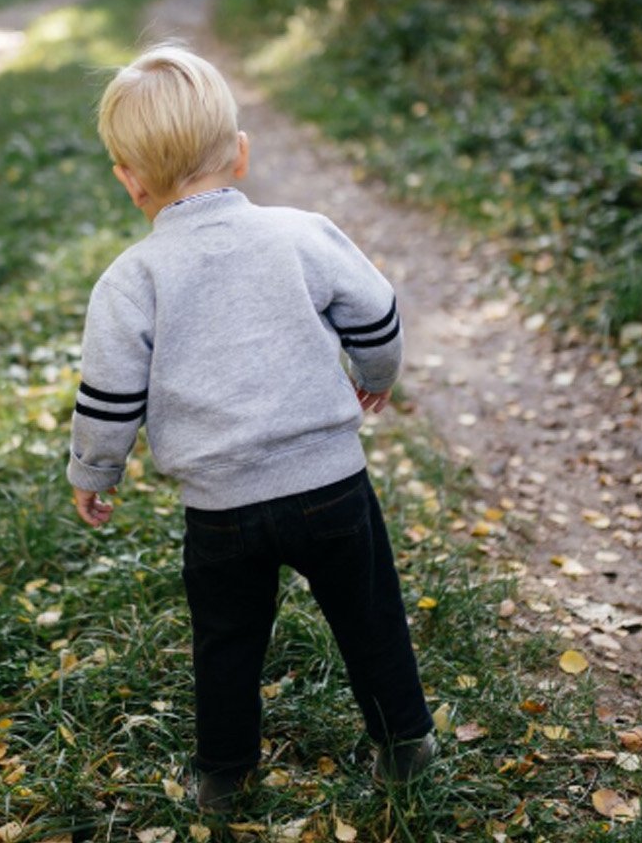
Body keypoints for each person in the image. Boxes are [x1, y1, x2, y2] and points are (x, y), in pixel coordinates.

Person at [66, 44, 435, 812]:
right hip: (331, 489)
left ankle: (224, 776)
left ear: (128, 180)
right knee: (369, 615)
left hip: (221, 509)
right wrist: (375, 377)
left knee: (226, 643)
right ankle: (404, 743)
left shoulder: (132, 280)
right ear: (239, 155)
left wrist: (94, 473)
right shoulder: (302, 234)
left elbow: (108, 396)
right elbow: (377, 313)